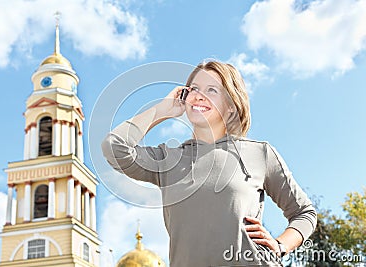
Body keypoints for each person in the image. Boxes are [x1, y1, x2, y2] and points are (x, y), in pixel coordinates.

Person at [101, 60, 317, 266]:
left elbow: (305, 212)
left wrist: (280, 246)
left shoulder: (260, 154)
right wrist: (162, 110)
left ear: (231, 106)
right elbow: (114, 146)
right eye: (193, 89)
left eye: (211, 90)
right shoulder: (167, 159)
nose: (199, 96)